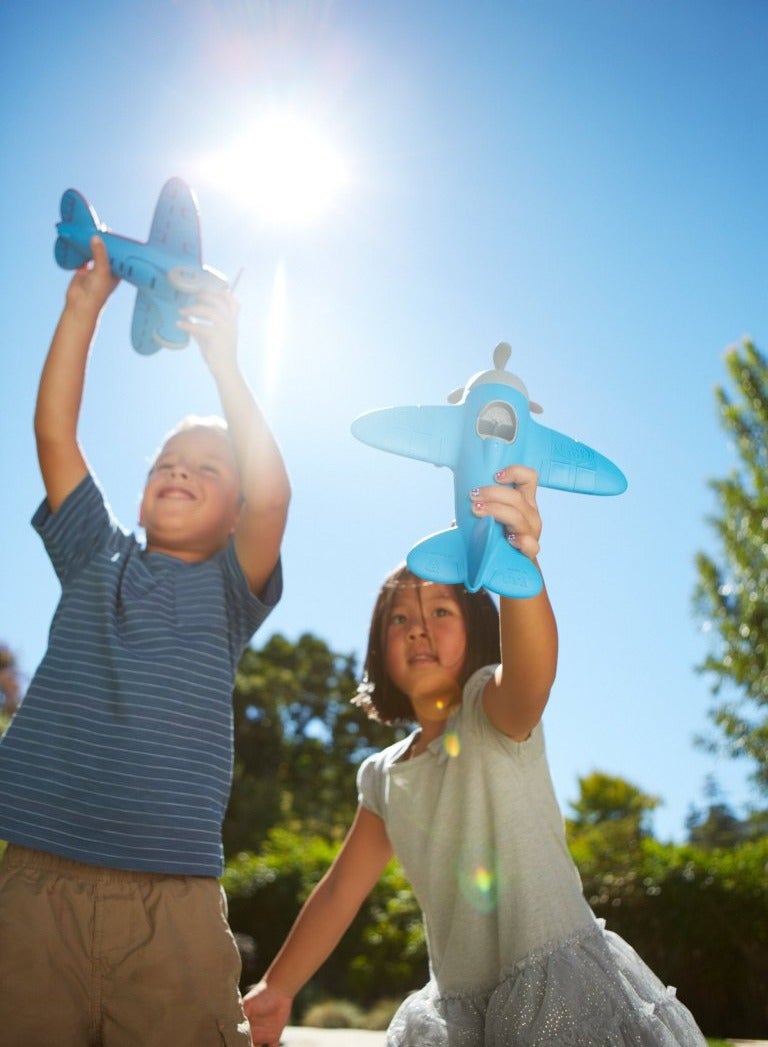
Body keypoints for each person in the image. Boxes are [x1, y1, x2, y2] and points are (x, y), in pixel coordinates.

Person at [243, 466, 706, 1046]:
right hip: (460, 1014)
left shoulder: (490, 708)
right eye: (400, 619)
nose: (418, 630)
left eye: (440, 611)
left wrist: (521, 565)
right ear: (377, 646)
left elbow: (532, 677)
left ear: (479, 626)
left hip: (558, 987)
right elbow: (339, 891)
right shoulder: (383, 777)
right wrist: (278, 987)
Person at [0, 235, 290, 1047]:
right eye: (169, 459)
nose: (182, 470)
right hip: (33, 882)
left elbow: (274, 498)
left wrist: (224, 364)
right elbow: (54, 434)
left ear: (234, 515)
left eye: (208, 466)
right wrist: (83, 309)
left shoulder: (231, 588)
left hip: (174, 900)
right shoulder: (97, 553)